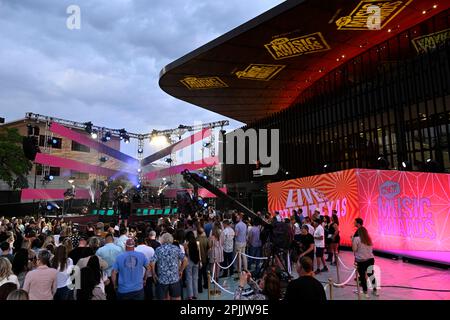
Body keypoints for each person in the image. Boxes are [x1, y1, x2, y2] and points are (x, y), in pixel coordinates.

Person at [150, 232, 187, 300]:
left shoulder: (159, 249)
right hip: (174, 278)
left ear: (162, 240)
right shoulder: (176, 248)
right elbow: (185, 260)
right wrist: (181, 270)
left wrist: (154, 274)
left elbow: (152, 262)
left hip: (162, 279)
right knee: (176, 298)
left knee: (163, 298)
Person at [352, 226, 378, 298]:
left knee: (362, 276)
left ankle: (365, 292)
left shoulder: (356, 239)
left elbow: (354, 249)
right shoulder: (368, 239)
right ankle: (375, 289)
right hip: (370, 259)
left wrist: (352, 240)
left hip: (361, 261)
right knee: (371, 274)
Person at [184, 231, 200, 300]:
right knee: (195, 278)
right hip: (196, 261)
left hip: (189, 262)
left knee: (189, 278)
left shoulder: (186, 244)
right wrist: (200, 261)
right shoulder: (197, 243)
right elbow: (199, 253)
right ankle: (195, 295)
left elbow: (187, 254)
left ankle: (190, 295)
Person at [196, 227, 209, 293]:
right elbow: (209, 248)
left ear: (197, 232)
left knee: (199, 275)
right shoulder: (206, 239)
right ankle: (206, 285)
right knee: (204, 272)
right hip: (205, 258)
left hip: (199, 260)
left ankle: (200, 288)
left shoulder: (196, 240)